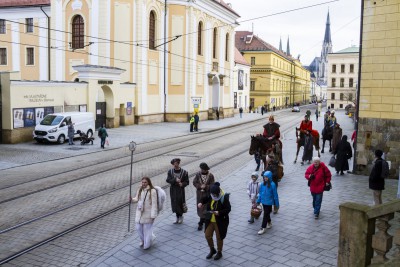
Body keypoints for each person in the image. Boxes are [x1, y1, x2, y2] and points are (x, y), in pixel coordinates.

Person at [198, 182, 231, 261]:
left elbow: (228, 209)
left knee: (219, 237)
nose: (213, 196)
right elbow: (205, 198)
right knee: (207, 235)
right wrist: (201, 202)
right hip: (210, 220)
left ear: (218, 193)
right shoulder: (211, 195)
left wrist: (219, 212)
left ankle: (219, 252)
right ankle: (212, 249)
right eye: (212, 194)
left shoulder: (224, 198)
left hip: (220, 221)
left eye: (215, 195)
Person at [131, 177, 158, 250]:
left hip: (148, 214)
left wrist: (153, 215)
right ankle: (143, 240)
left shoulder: (152, 191)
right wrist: (132, 199)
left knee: (147, 229)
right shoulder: (139, 189)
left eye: (145, 182)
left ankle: (147, 244)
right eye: (142, 182)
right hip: (139, 213)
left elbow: (154, 204)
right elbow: (136, 199)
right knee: (138, 228)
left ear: (148, 182)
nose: (143, 184)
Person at [193, 162, 215, 231]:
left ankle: (203, 221)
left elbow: (212, 185)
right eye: (201, 169)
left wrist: (206, 187)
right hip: (200, 194)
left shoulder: (210, 175)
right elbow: (194, 182)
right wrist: (199, 186)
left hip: (207, 195)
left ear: (206, 169)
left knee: (206, 207)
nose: (202, 170)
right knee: (200, 207)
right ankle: (201, 221)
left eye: (203, 169)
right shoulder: (198, 175)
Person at [166, 158, 189, 224]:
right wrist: (174, 180)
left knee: (180, 202)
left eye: (176, 163)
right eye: (174, 163)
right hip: (173, 190)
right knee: (174, 203)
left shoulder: (184, 172)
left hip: (180, 190)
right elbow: (168, 180)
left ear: (178, 163)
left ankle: (181, 216)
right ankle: (177, 217)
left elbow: (187, 182)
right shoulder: (170, 172)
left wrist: (182, 184)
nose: (175, 165)